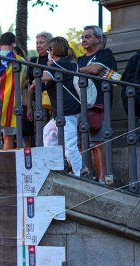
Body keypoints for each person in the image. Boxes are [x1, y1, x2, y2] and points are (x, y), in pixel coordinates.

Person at [78, 25, 118, 183]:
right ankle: (90, 176)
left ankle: (103, 178)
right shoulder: (81, 59)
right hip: (82, 105)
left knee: (98, 142)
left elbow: (95, 69)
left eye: (88, 37)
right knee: (82, 143)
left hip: (100, 104)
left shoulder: (105, 54)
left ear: (99, 39)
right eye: (82, 37)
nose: (84, 40)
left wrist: (76, 69)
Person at [38, 37, 82, 176]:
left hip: (67, 111)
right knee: (49, 132)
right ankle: (54, 167)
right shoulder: (69, 63)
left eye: (48, 50)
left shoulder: (59, 64)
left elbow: (42, 76)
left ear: (52, 50)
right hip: (65, 110)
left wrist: (37, 76)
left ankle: (80, 176)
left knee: (70, 147)